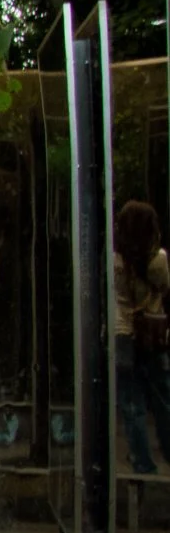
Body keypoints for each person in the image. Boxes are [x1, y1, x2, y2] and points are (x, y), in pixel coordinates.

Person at [112, 199, 170, 476]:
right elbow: (164, 287)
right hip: (152, 333)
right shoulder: (157, 258)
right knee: (162, 397)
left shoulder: (116, 260)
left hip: (123, 333)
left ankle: (142, 461)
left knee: (132, 403)